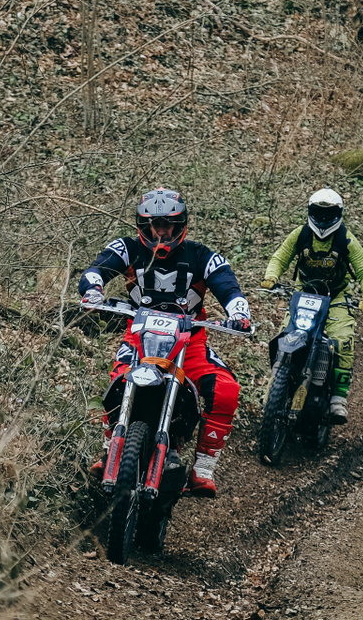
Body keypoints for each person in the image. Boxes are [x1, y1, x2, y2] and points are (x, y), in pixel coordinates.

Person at [79, 188, 251, 496]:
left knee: (226, 390)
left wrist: (238, 312)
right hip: (139, 339)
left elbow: (228, 285)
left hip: (189, 343)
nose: (162, 233)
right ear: (142, 226)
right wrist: (93, 290)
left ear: (180, 225)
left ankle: (203, 468)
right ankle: (109, 451)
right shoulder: (127, 248)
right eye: (155, 226)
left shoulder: (202, 255)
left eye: (168, 226)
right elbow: (96, 270)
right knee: (118, 380)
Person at [260, 189, 363, 424]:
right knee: (285, 336)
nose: (323, 220)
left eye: (328, 215)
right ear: (310, 212)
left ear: (338, 214)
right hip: (303, 292)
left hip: (336, 296)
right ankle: (272, 389)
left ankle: (338, 399)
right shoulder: (301, 234)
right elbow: (280, 257)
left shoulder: (345, 239)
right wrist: (271, 276)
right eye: (318, 214)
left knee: (342, 340)